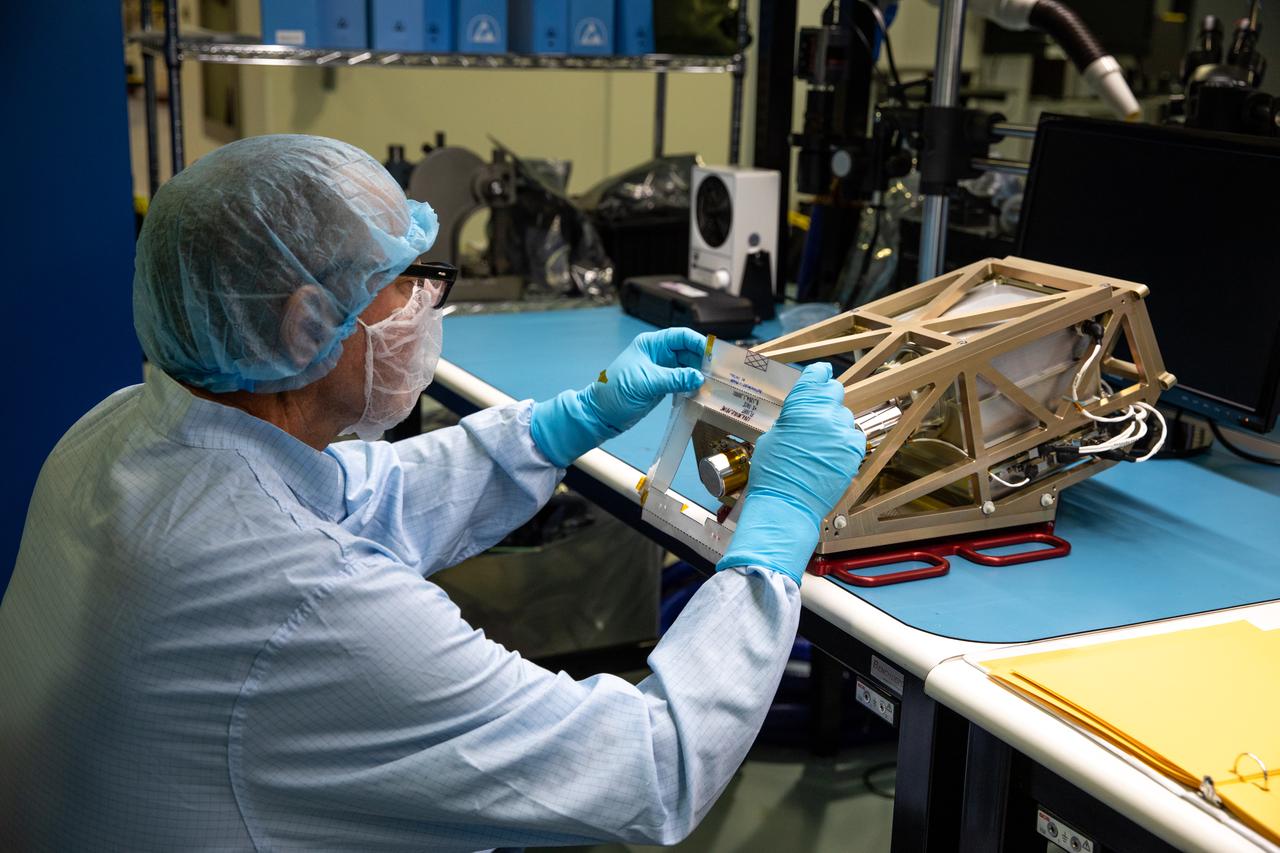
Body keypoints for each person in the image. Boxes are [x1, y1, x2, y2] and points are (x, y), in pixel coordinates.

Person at [0, 135, 865, 851]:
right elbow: (652, 766)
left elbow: (359, 497)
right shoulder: (303, 604)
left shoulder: (120, 430)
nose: (426, 301)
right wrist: (774, 534)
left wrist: (562, 424)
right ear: (306, 323)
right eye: (406, 280)